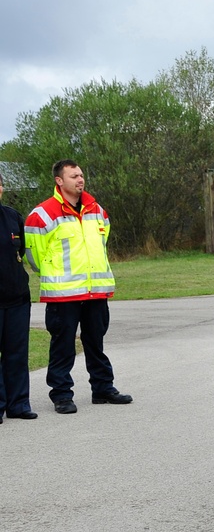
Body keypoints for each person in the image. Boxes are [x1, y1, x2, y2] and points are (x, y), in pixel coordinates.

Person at [24, 160, 131, 415]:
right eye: (74, 176)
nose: (80, 180)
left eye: (81, 175)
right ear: (59, 181)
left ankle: (103, 388)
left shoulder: (97, 209)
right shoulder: (42, 215)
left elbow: (101, 242)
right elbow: (34, 257)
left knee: (96, 342)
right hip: (63, 295)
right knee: (62, 347)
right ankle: (61, 395)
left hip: (95, 291)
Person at [0, 172, 36, 423]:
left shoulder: (12, 217)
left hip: (16, 298)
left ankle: (19, 404)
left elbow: (21, 250)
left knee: (16, 353)